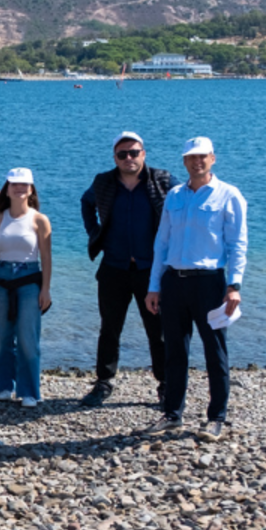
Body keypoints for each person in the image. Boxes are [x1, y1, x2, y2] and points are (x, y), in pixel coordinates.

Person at [145, 137, 247, 441]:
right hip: (174, 282)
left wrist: (234, 285)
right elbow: (161, 243)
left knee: (215, 351)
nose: (196, 162)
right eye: (191, 157)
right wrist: (154, 286)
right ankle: (172, 414)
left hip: (210, 283)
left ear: (212, 158)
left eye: (202, 157)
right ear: (184, 161)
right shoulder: (175, 196)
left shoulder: (229, 195)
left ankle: (216, 417)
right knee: (174, 352)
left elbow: (237, 244)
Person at [79, 132, 173, 407]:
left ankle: (166, 384)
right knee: (110, 328)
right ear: (115, 158)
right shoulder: (104, 182)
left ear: (144, 154)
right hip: (114, 267)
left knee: (158, 330)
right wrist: (95, 233)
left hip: (151, 268)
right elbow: (86, 203)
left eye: (134, 153)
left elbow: (185, 202)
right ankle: (104, 382)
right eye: (122, 154)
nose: (129, 158)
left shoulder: (162, 180)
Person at [0, 168, 53, 408]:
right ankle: (3, 386)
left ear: (31, 189)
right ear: (8, 188)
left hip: (29, 279)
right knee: (2, 337)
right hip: (1, 279)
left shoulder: (39, 220)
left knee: (27, 338)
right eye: (14, 184)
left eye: (24, 184)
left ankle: (30, 391)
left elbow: (46, 258)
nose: (19, 188)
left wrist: (46, 290)